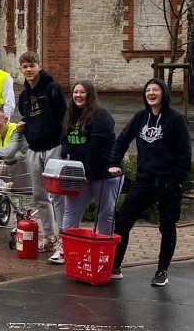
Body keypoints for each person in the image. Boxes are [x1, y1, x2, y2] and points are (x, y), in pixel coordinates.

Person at [109, 78, 191, 286]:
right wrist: (113, 162)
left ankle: (162, 270)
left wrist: (177, 182)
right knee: (122, 221)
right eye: (147, 90)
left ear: (164, 93)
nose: (151, 93)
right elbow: (122, 140)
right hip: (145, 181)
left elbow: (184, 154)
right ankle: (115, 266)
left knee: (167, 226)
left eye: (155, 90)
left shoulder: (176, 120)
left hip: (168, 183)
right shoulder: (140, 118)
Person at [53, 80, 120, 265]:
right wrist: (67, 153)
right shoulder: (70, 115)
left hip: (103, 174)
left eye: (83, 92)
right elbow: (64, 137)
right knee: (71, 212)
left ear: (90, 95)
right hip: (80, 175)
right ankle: (65, 249)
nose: (78, 95)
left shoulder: (102, 115)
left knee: (105, 213)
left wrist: (87, 173)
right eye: (75, 92)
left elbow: (95, 147)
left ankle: (104, 251)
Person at [17, 51, 67, 254]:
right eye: (25, 67)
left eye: (32, 65)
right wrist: (25, 126)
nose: (28, 70)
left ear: (40, 66)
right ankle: (49, 237)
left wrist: (64, 144)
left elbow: (63, 115)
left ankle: (64, 238)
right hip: (34, 149)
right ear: (21, 70)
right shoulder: (24, 95)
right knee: (39, 196)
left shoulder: (52, 88)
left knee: (57, 196)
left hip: (53, 146)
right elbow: (27, 115)